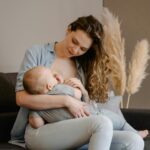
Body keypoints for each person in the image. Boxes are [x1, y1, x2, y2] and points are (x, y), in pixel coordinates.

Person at [10, 15, 146, 150]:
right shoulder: (37, 53)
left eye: (83, 49)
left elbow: (86, 109)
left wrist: (84, 92)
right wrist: (67, 101)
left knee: (134, 141)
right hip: (41, 131)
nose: (75, 50)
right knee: (102, 123)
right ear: (69, 30)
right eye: (74, 41)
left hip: (76, 129)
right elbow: (21, 98)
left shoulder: (81, 67)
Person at [23, 66, 149, 139]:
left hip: (77, 129)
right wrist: (65, 83)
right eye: (51, 74)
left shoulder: (36, 108)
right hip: (95, 114)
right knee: (120, 122)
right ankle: (135, 133)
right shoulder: (59, 88)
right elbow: (77, 94)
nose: (54, 75)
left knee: (106, 130)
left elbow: (37, 124)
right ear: (50, 85)